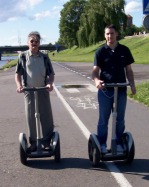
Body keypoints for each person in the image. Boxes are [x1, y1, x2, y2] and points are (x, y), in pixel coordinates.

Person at [92, 24, 136, 154]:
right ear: (105, 35)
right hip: (105, 90)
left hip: (121, 90)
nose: (109, 36)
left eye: (112, 33)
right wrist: (96, 81)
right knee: (103, 120)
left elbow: (129, 70)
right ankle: (102, 144)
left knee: (120, 119)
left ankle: (117, 143)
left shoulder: (124, 50)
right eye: (107, 34)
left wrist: (132, 84)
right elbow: (95, 71)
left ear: (116, 34)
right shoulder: (100, 51)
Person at [15, 31, 55, 152]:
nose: (34, 43)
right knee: (31, 117)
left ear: (39, 43)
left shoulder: (44, 57)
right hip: (29, 91)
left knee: (46, 116)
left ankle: (47, 141)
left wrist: (49, 83)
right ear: (28, 43)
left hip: (43, 90)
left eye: (36, 41)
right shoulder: (22, 56)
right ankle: (33, 142)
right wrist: (19, 85)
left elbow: (51, 74)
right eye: (32, 41)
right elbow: (18, 74)